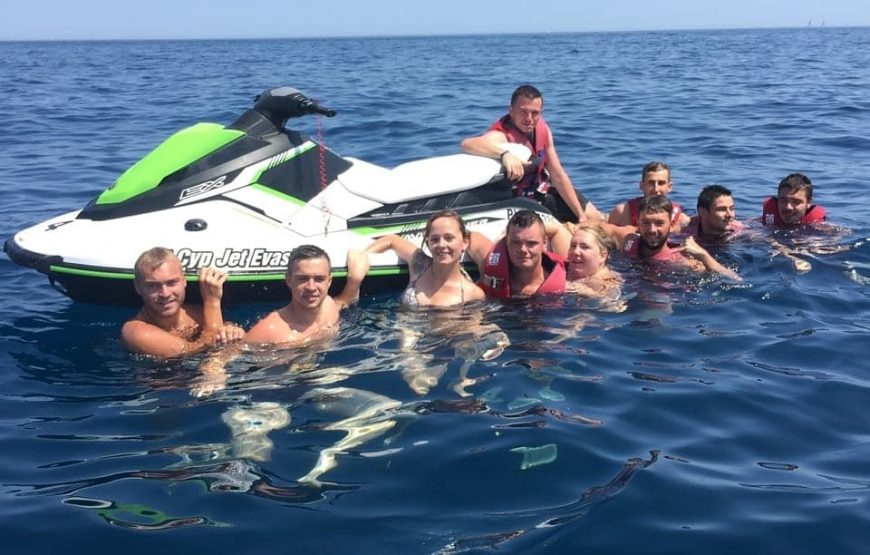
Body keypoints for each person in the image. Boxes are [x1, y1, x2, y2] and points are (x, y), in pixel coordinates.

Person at [460, 84, 601, 223]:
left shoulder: (542, 129)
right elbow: (468, 144)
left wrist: (581, 216)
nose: (529, 118)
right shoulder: (502, 134)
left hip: (544, 189)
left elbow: (557, 174)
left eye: (535, 113)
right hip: (523, 202)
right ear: (511, 111)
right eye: (523, 112)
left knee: (594, 218)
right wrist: (505, 154)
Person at [122, 247, 244, 357]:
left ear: (184, 281)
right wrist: (212, 302)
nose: (165, 294)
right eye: (153, 286)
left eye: (172, 283)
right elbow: (197, 351)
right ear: (138, 287)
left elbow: (223, 326)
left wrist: (231, 330)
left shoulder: (194, 314)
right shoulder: (136, 333)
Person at [243, 245, 369, 345]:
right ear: (288, 280)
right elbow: (227, 357)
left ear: (329, 281)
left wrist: (355, 279)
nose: (311, 287)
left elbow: (344, 301)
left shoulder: (328, 306)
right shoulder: (270, 330)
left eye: (319, 279)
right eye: (302, 279)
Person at [364, 210, 485, 307]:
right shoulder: (420, 264)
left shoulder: (473, 294)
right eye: (435, 239)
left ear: (464, 242)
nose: (441, 244)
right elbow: (392, 240)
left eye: (449, 238)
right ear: (428, 244)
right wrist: (364, 255)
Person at [604, 195, 741, 281]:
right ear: (637, 223)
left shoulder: (678, 259)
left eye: (659, 223)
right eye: (646, 222)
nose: (652, 230)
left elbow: (733, 279)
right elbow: (599, 227)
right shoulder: (630, 240)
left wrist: (703, 255)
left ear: (671, 225)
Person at [467, 209, 572, 298]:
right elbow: (470, 237)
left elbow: (558, 230)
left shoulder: (566, 284)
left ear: (544, 243)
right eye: (516, 242)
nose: (522, 249)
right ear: (506, 242)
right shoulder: (492, 264)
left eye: (531, 243)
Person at [608, 161, 691, 231]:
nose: (656, 189)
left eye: (661, 183)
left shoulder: (681, 220)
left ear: (669, 187)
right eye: (651, 183)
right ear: (641, 186)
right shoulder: (622, 213)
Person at [564, 223, 624, 300]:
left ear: (602, 256)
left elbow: (615, 306)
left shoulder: (607, 282)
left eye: (584, 247)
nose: (575, 251)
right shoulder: (567, 270)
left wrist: (578, 288)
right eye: (573, 246)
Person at [762, 173, 827, 227]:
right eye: (783, 201)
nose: (788, 207)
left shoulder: (824, 232)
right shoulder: (758, 228)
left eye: (796, 202)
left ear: (809, 203)